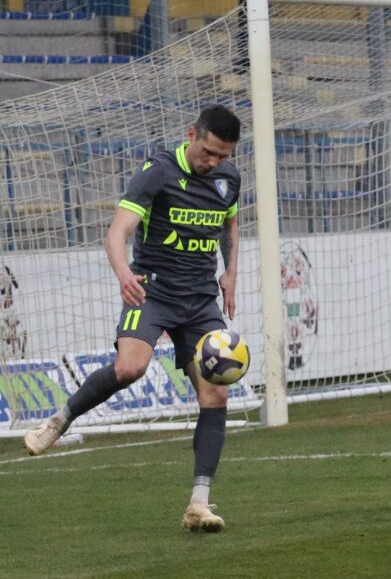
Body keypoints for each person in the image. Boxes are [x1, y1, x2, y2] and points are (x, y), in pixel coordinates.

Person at [23, 105, 243, 533]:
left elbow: (229, 225)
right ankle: (60, 420)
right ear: (192, 135)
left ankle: (199, 504)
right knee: (130, 368)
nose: (214, 162)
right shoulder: (158, 171)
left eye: (223, 155)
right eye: (208, 152)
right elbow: (117, 231)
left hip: (200, 299)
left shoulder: (228, 179)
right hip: (152, 289)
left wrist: (230, 273)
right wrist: (124, 273)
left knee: (216, 394)